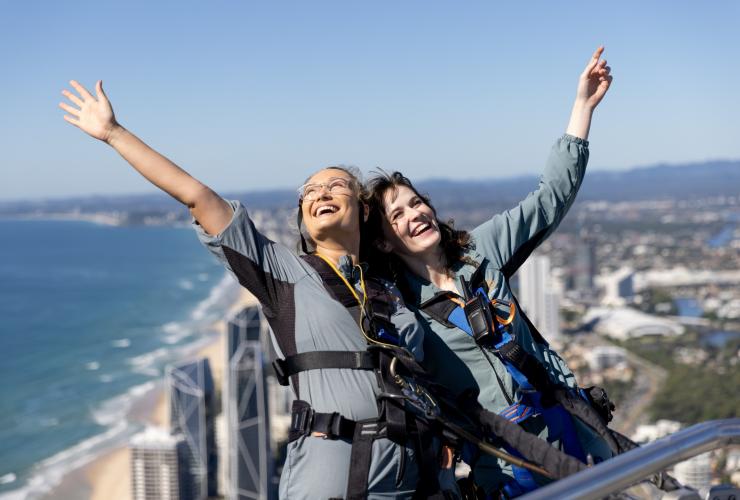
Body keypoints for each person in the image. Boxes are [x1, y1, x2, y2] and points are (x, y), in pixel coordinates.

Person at [58, 81, 459, 499]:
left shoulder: (390, 289)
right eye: (310, 191)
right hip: (330, 482)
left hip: (412, 480)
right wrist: (113, 132)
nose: (321, 192)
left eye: (336, 186)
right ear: (303, 219)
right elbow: (198, 198)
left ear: (361, 210)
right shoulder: (282, 271)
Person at [363, 47, 615, 496]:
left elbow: (549, 199)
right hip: (501, 462)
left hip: (564, 427)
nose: (415, 214)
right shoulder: (399, 309)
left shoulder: (480, 252)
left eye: (417, 202)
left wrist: (582, 107)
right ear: (383, 241)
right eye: (397, 215)